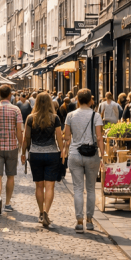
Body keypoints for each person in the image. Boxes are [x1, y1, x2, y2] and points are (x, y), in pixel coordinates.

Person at [64, 88, 105, 232]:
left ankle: (79, 222)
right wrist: (103, 155)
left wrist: (64, 151)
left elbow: (67, 137)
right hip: (91, 155)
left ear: (78, 100)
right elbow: (99, 137)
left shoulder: (70, 115)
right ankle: (89, 221)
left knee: (78, 189)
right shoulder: (96, 115)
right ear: (89, 100)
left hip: (75, 154)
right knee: (91, 189)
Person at [22, 92, 65, 229]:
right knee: (50, 186)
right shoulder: (55, 118)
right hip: (52, 154)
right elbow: (59, 137)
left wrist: (23, 152)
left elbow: (26, 138)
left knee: (39, 186)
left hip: (35, 154)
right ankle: (46, 211)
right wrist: (62, 151)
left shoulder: (30, 118)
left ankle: (41, 212)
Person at [0, 84, 24, 215]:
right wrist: (22, 145)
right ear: (10, 95)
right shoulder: (16, 110)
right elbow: (19, 130)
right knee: (10, 176)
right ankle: (7, 203)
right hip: (11, 146)